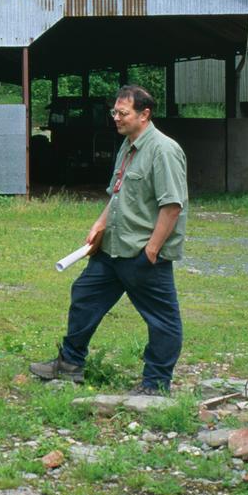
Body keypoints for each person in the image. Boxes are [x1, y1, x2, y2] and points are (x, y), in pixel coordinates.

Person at [30, 84, 187, 394]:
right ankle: (70, 364)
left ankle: (156, 384)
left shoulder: (164, 150)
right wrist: (99, 224)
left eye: (122, 113)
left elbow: (172, 207)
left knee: (162, 321)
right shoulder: (127, 145)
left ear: (145, 114)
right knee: (85, 295)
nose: (115, 118)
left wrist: (152, 251)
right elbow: (117, 195)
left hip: (142, 254)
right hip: (113, 248)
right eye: (114, 112)